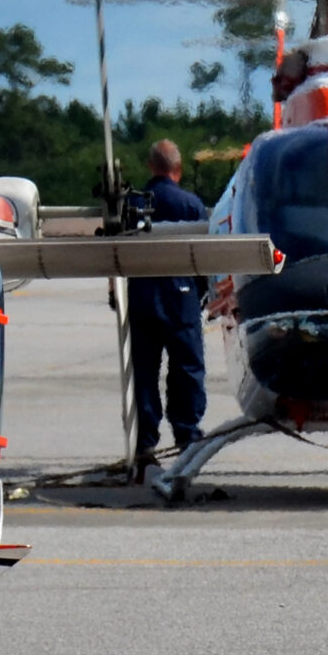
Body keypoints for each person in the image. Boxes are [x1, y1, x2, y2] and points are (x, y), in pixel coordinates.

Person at [127, 138, 209, 470]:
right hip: (181, 297)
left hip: (143, 296)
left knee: (145, 371)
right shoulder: (191, 205)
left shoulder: (131, 203)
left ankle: (145, 442)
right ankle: (187, 436)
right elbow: (203, 256)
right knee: (186, 369)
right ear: (178, 168)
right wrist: (202, 292)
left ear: (151, 167)